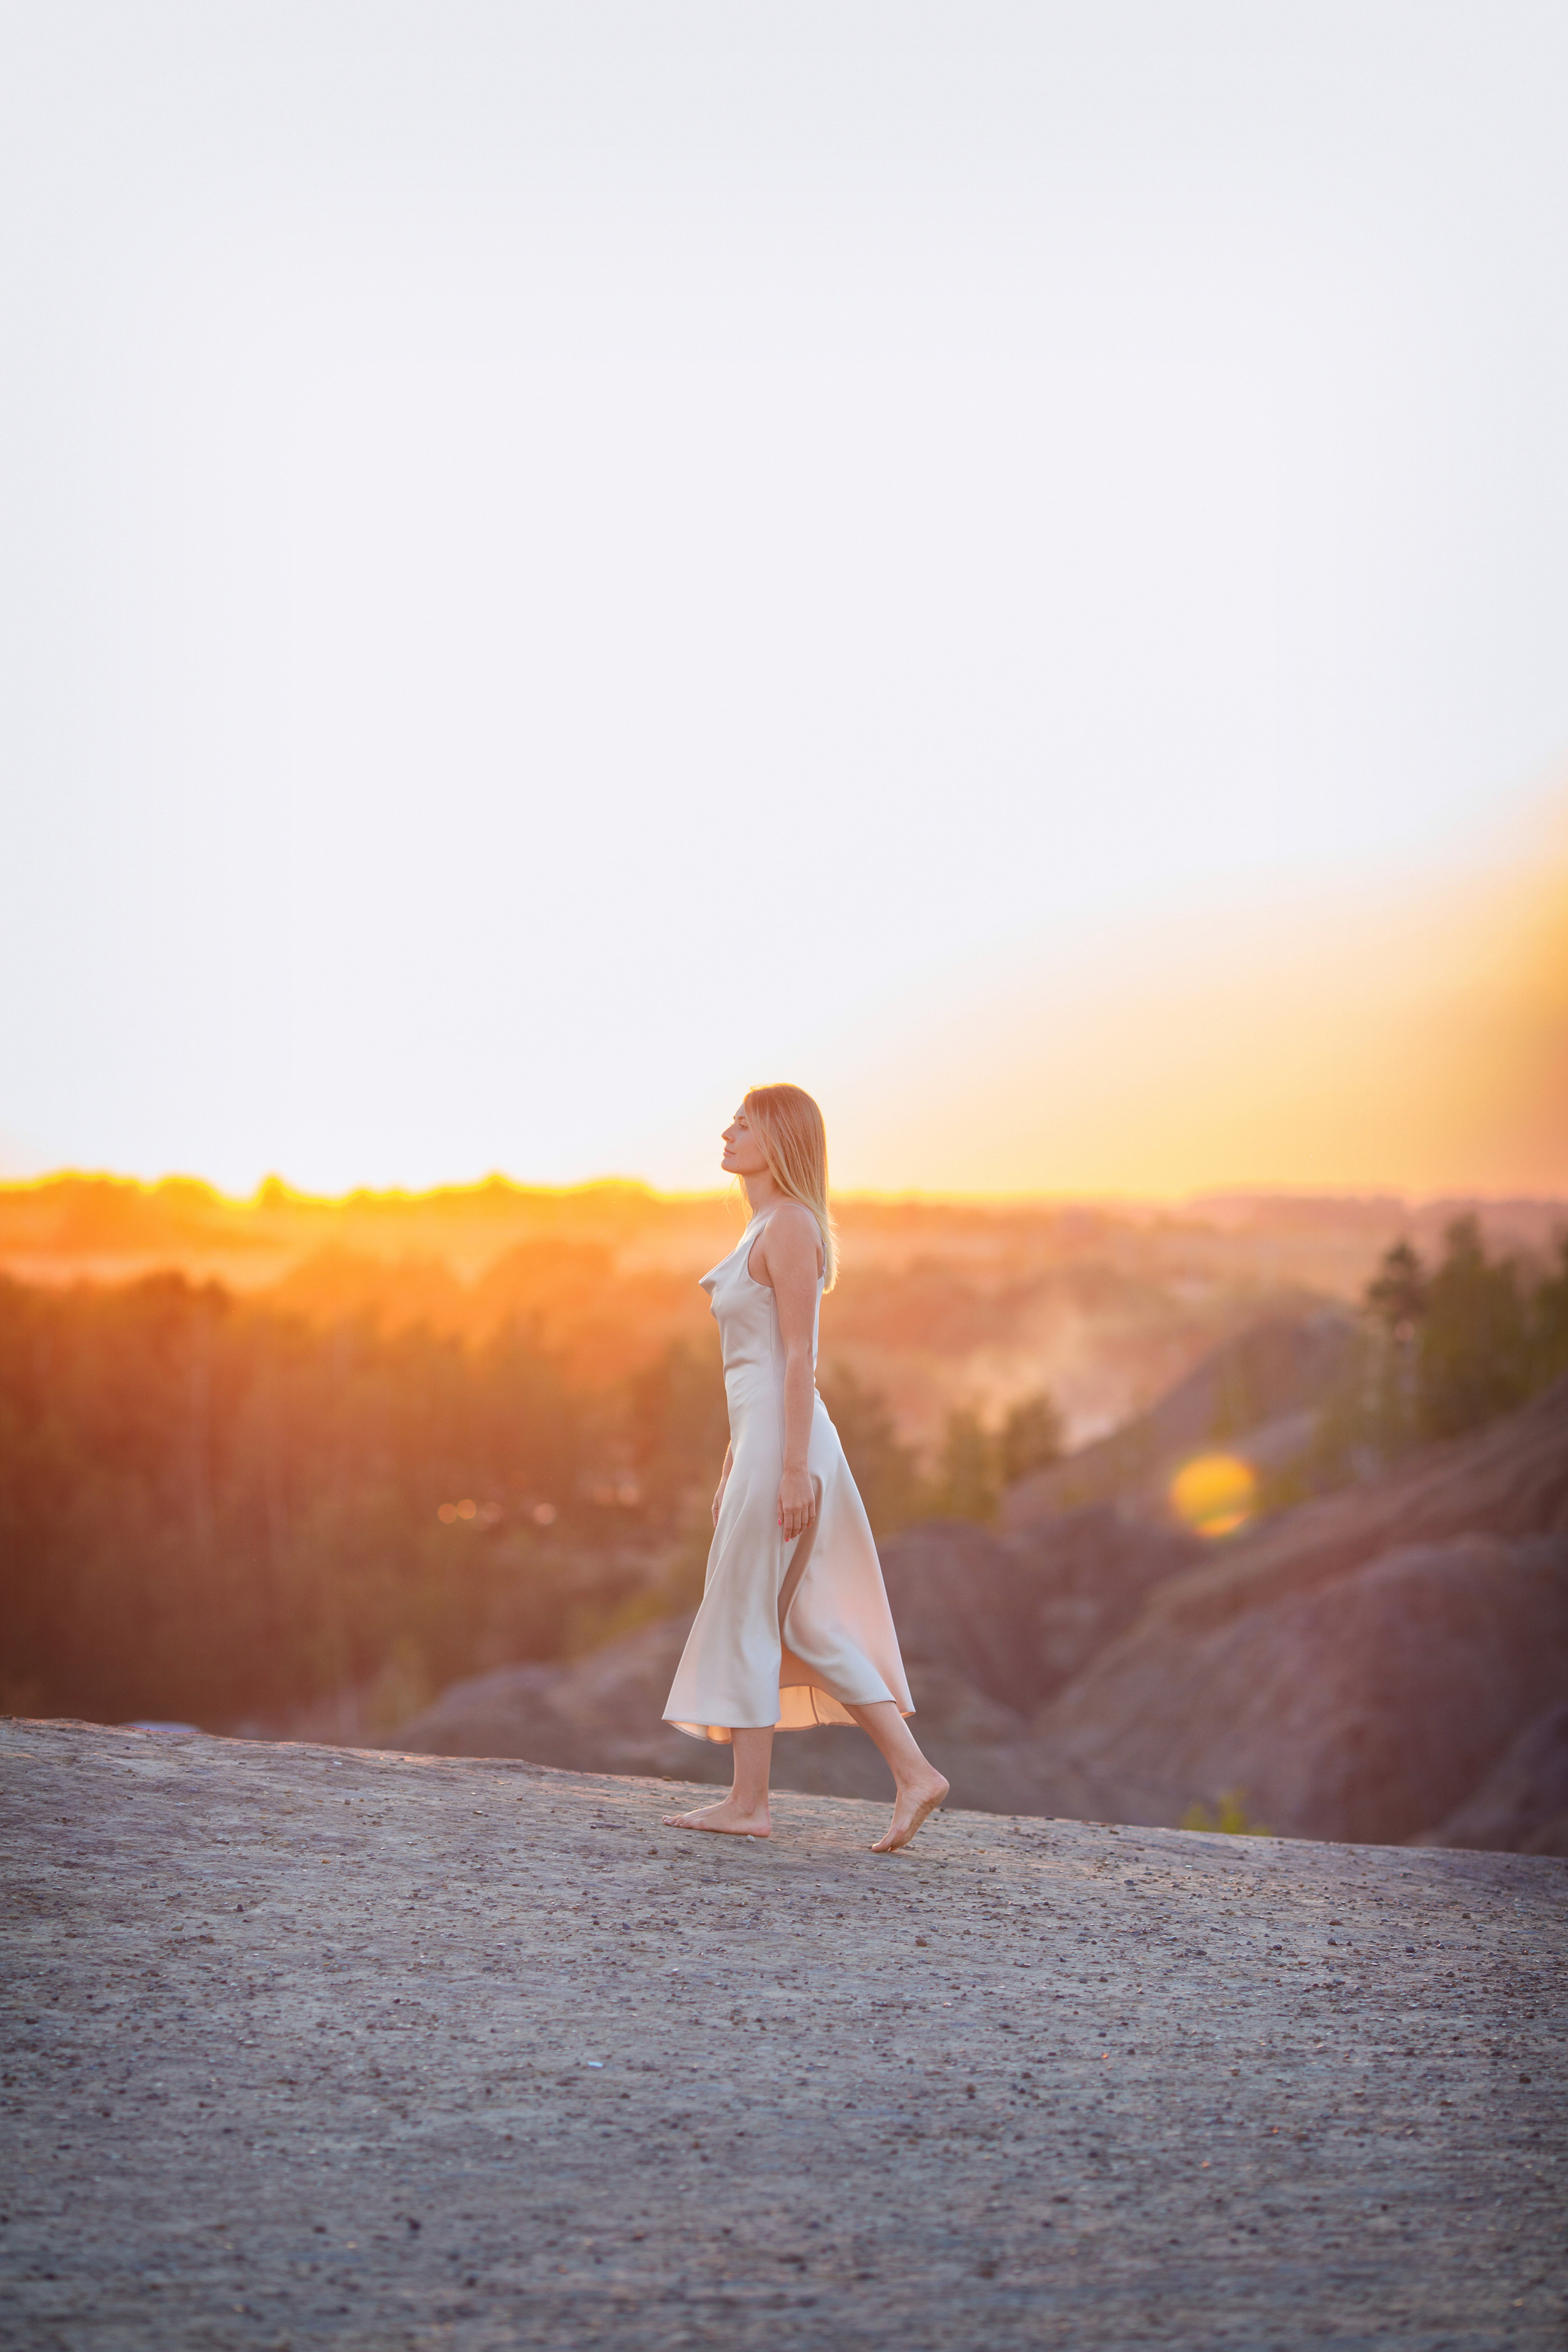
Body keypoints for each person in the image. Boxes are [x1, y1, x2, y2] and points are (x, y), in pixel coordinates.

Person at [662, 1083, 949, 1852]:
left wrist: (791, 1471)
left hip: (786, 1444)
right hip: (760, 1442)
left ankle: (750, 1803)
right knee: (795, 1619)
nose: (725, 1132)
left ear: (779, 1139)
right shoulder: (763, 1222)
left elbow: (797, 1360)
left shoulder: (788, 1225)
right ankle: (913, 1775)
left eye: (743, 1124)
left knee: (754, 1610)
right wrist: (734, 1467)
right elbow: (747, 1373)